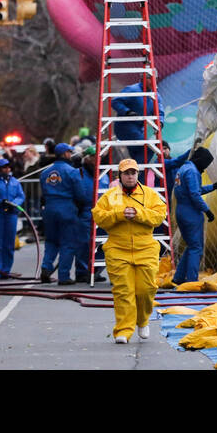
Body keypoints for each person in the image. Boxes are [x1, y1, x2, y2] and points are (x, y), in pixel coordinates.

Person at [92, 159, 168, 343]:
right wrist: (118, 215)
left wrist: (139, 213)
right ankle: (123, 331)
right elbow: (98, 216)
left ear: (137, 175)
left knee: (146, 289)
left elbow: (159, 215)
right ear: (120, 175)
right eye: (126, 173)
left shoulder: (150, 194)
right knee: (123, 291)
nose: (130, 176)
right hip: (118, 248)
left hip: (146, 247)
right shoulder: (110, 196)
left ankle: (142, 320)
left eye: (133, 173)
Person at [173, 146, 217, 284]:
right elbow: (195, 195)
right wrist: (207, 211)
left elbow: (194, 190)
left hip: (181, 211)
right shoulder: (192, 171)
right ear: (200, 160)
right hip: (191, 213)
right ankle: (192, 281)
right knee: (196, 247)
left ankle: (178, 278)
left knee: (191, 245)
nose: (205, 167)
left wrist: (213, 186)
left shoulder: (183, 169)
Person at [39, 143, 89, 285]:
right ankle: (64, 275)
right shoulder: (72, 171)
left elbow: (42, 193)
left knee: (51, 241)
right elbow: (80, 194)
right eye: (69, 152)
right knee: (68, 243)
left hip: (49, 208)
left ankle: (46, 267)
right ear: (66, 154)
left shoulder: (45, 173)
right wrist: (81, 206)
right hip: (66, 208)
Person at [0, 159, 25, 277]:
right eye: (4, 167)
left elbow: (21, 196)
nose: (7, 169)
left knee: (9, 243)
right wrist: (0, 202)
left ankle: (5, 271)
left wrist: (14, 203)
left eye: (8, 167)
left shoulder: (15, 182)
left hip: (11, 214)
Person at [111, 81, 155, 163]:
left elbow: (159, 110)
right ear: (145, 78)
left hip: (139, 129)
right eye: (151, 78)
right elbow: (115, 101)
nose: (153, 81)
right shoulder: (133, 89)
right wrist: (127, 111)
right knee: (149, 148)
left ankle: (131, 173)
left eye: (155, 79)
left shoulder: (154, 94)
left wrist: (160, 121)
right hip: (125, 127)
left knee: (138, 154)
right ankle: (133, 171)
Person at [73, 153, 98, 282]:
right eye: (92, 156)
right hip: (84, 212)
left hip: (100, 211)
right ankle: (82, 271)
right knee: (84, 243)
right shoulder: (79, 173)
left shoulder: (101, 172)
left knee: (102, 243)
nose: (95, 159)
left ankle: (95, 271)